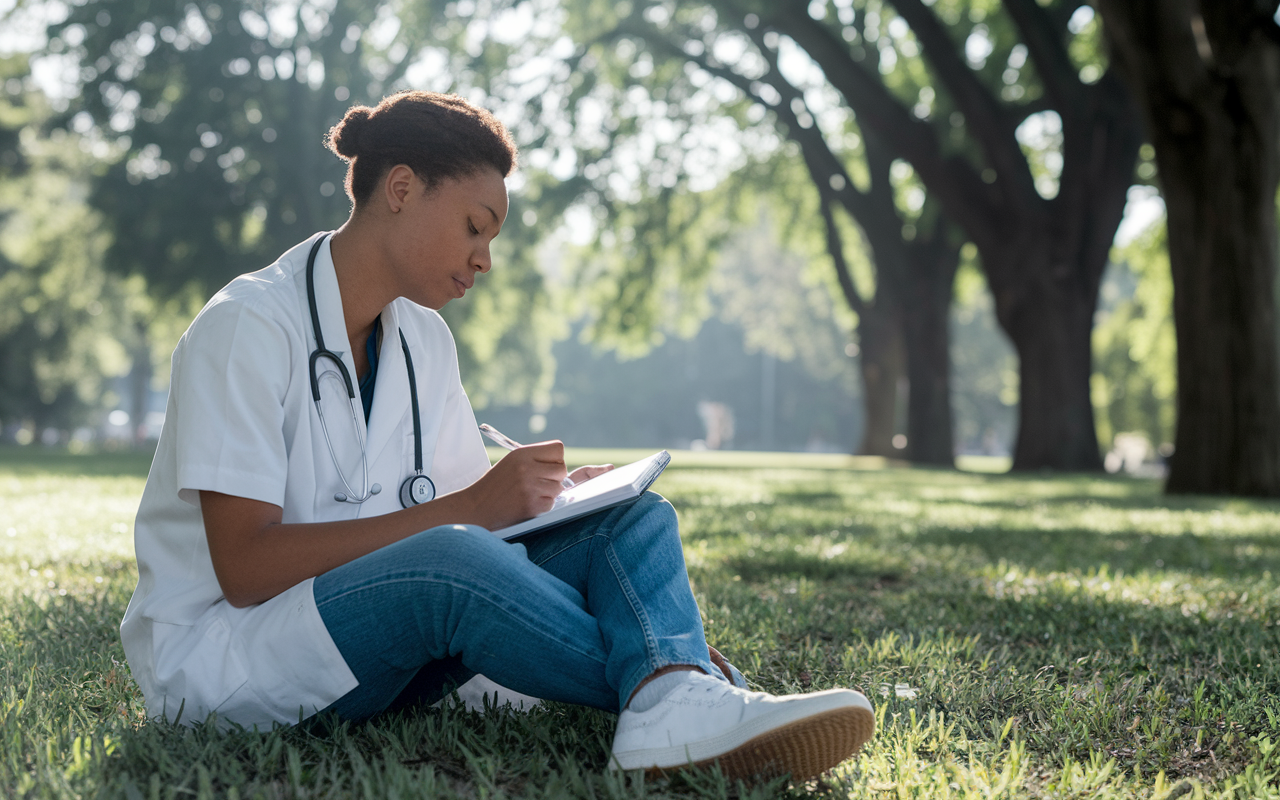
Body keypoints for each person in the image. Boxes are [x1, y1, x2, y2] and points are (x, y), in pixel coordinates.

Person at [119, 90, 875, 782]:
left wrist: (553, 502)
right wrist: (475, 509)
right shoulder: (246, 326)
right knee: (453, 556)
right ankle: (690, 691)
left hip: (388, 644)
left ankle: (673, 696)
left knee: (634, 518)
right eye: (475, 227)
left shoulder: (422, 339)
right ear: (402, 188)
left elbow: (472, 520)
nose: (485, 257)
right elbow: (247, 568)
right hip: (230, 657)